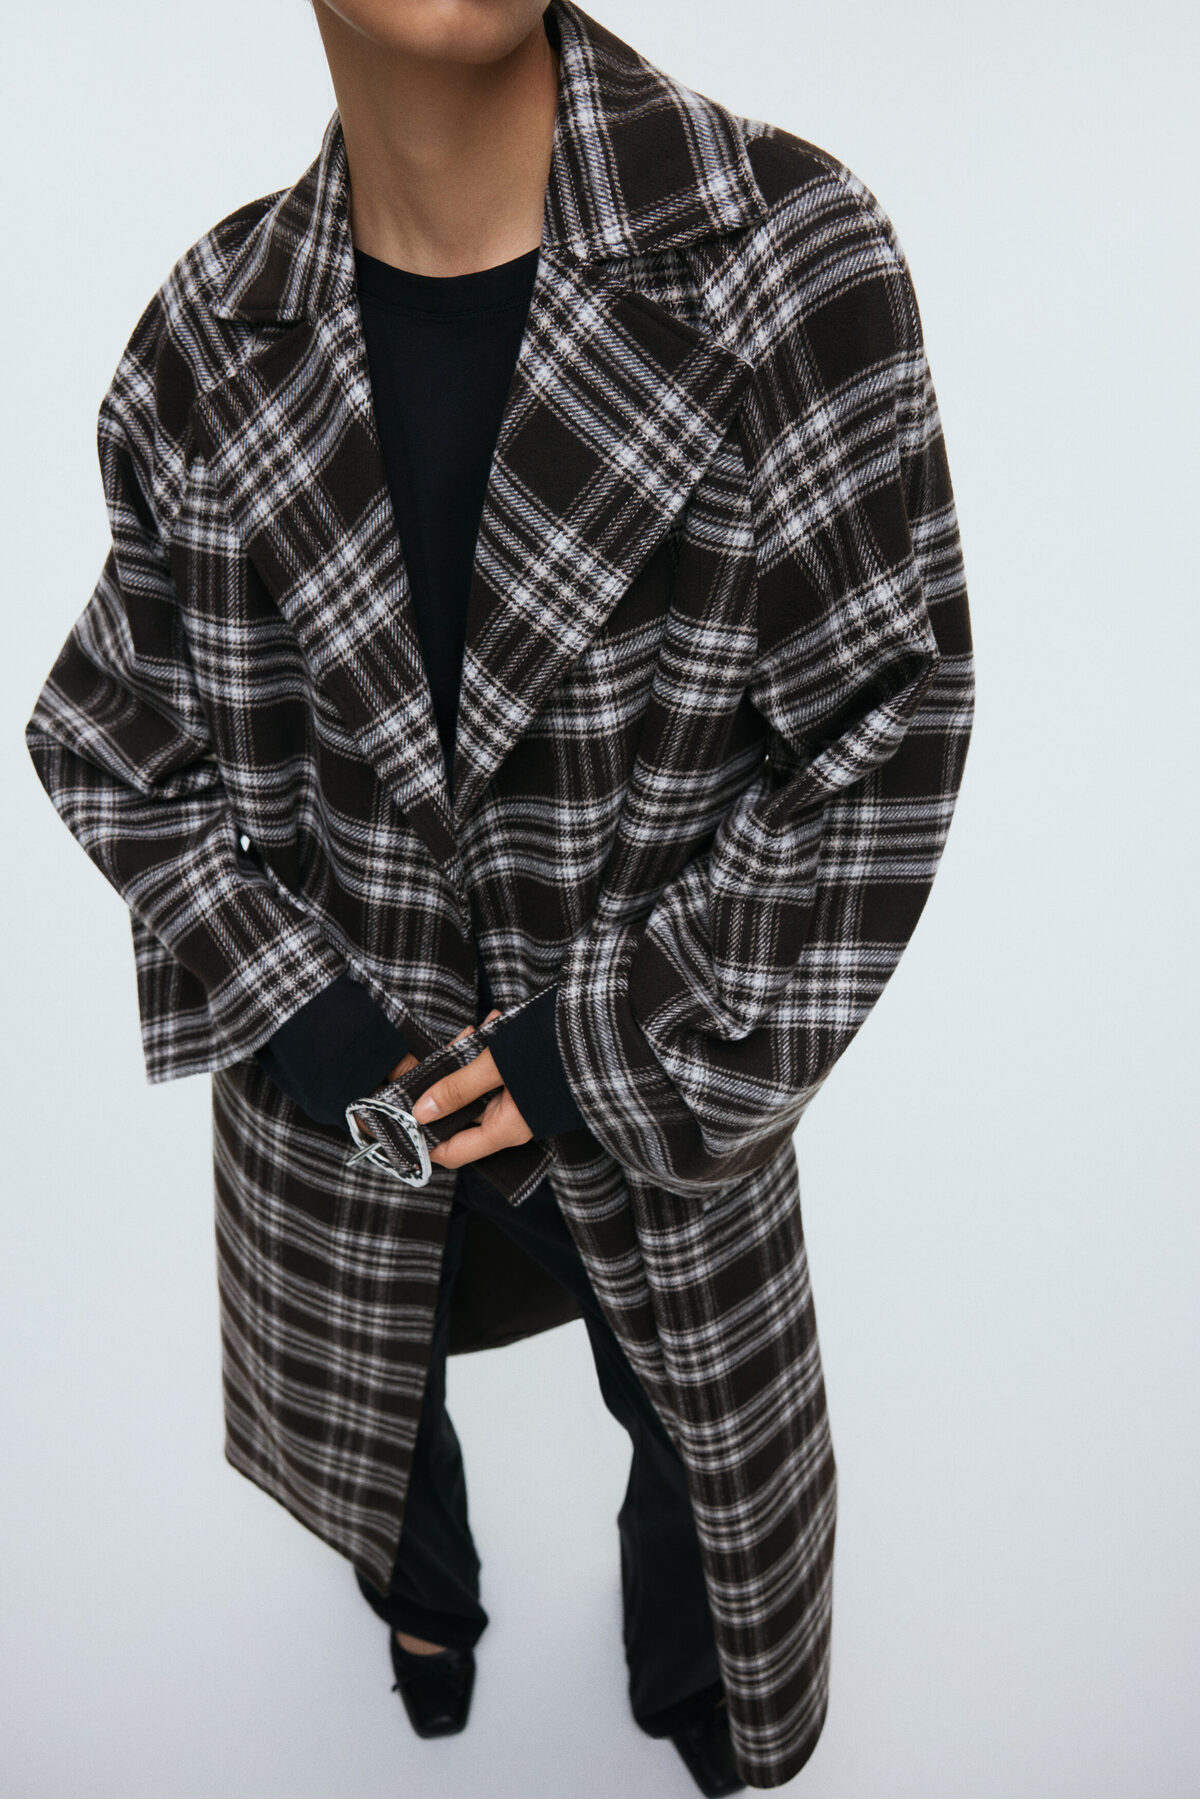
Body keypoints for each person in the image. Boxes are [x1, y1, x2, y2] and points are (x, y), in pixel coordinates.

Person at [24, 1, 975, 1792]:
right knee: (379, 1400)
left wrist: (583, 1054)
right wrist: (303, 1011)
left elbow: (883, 737)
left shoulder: (788, 253)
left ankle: (702, 1678)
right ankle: (424, 1603)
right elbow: (106, 732)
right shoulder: (208, 335)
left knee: (693, 1439)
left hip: (652, 1082)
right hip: (351, 1096)